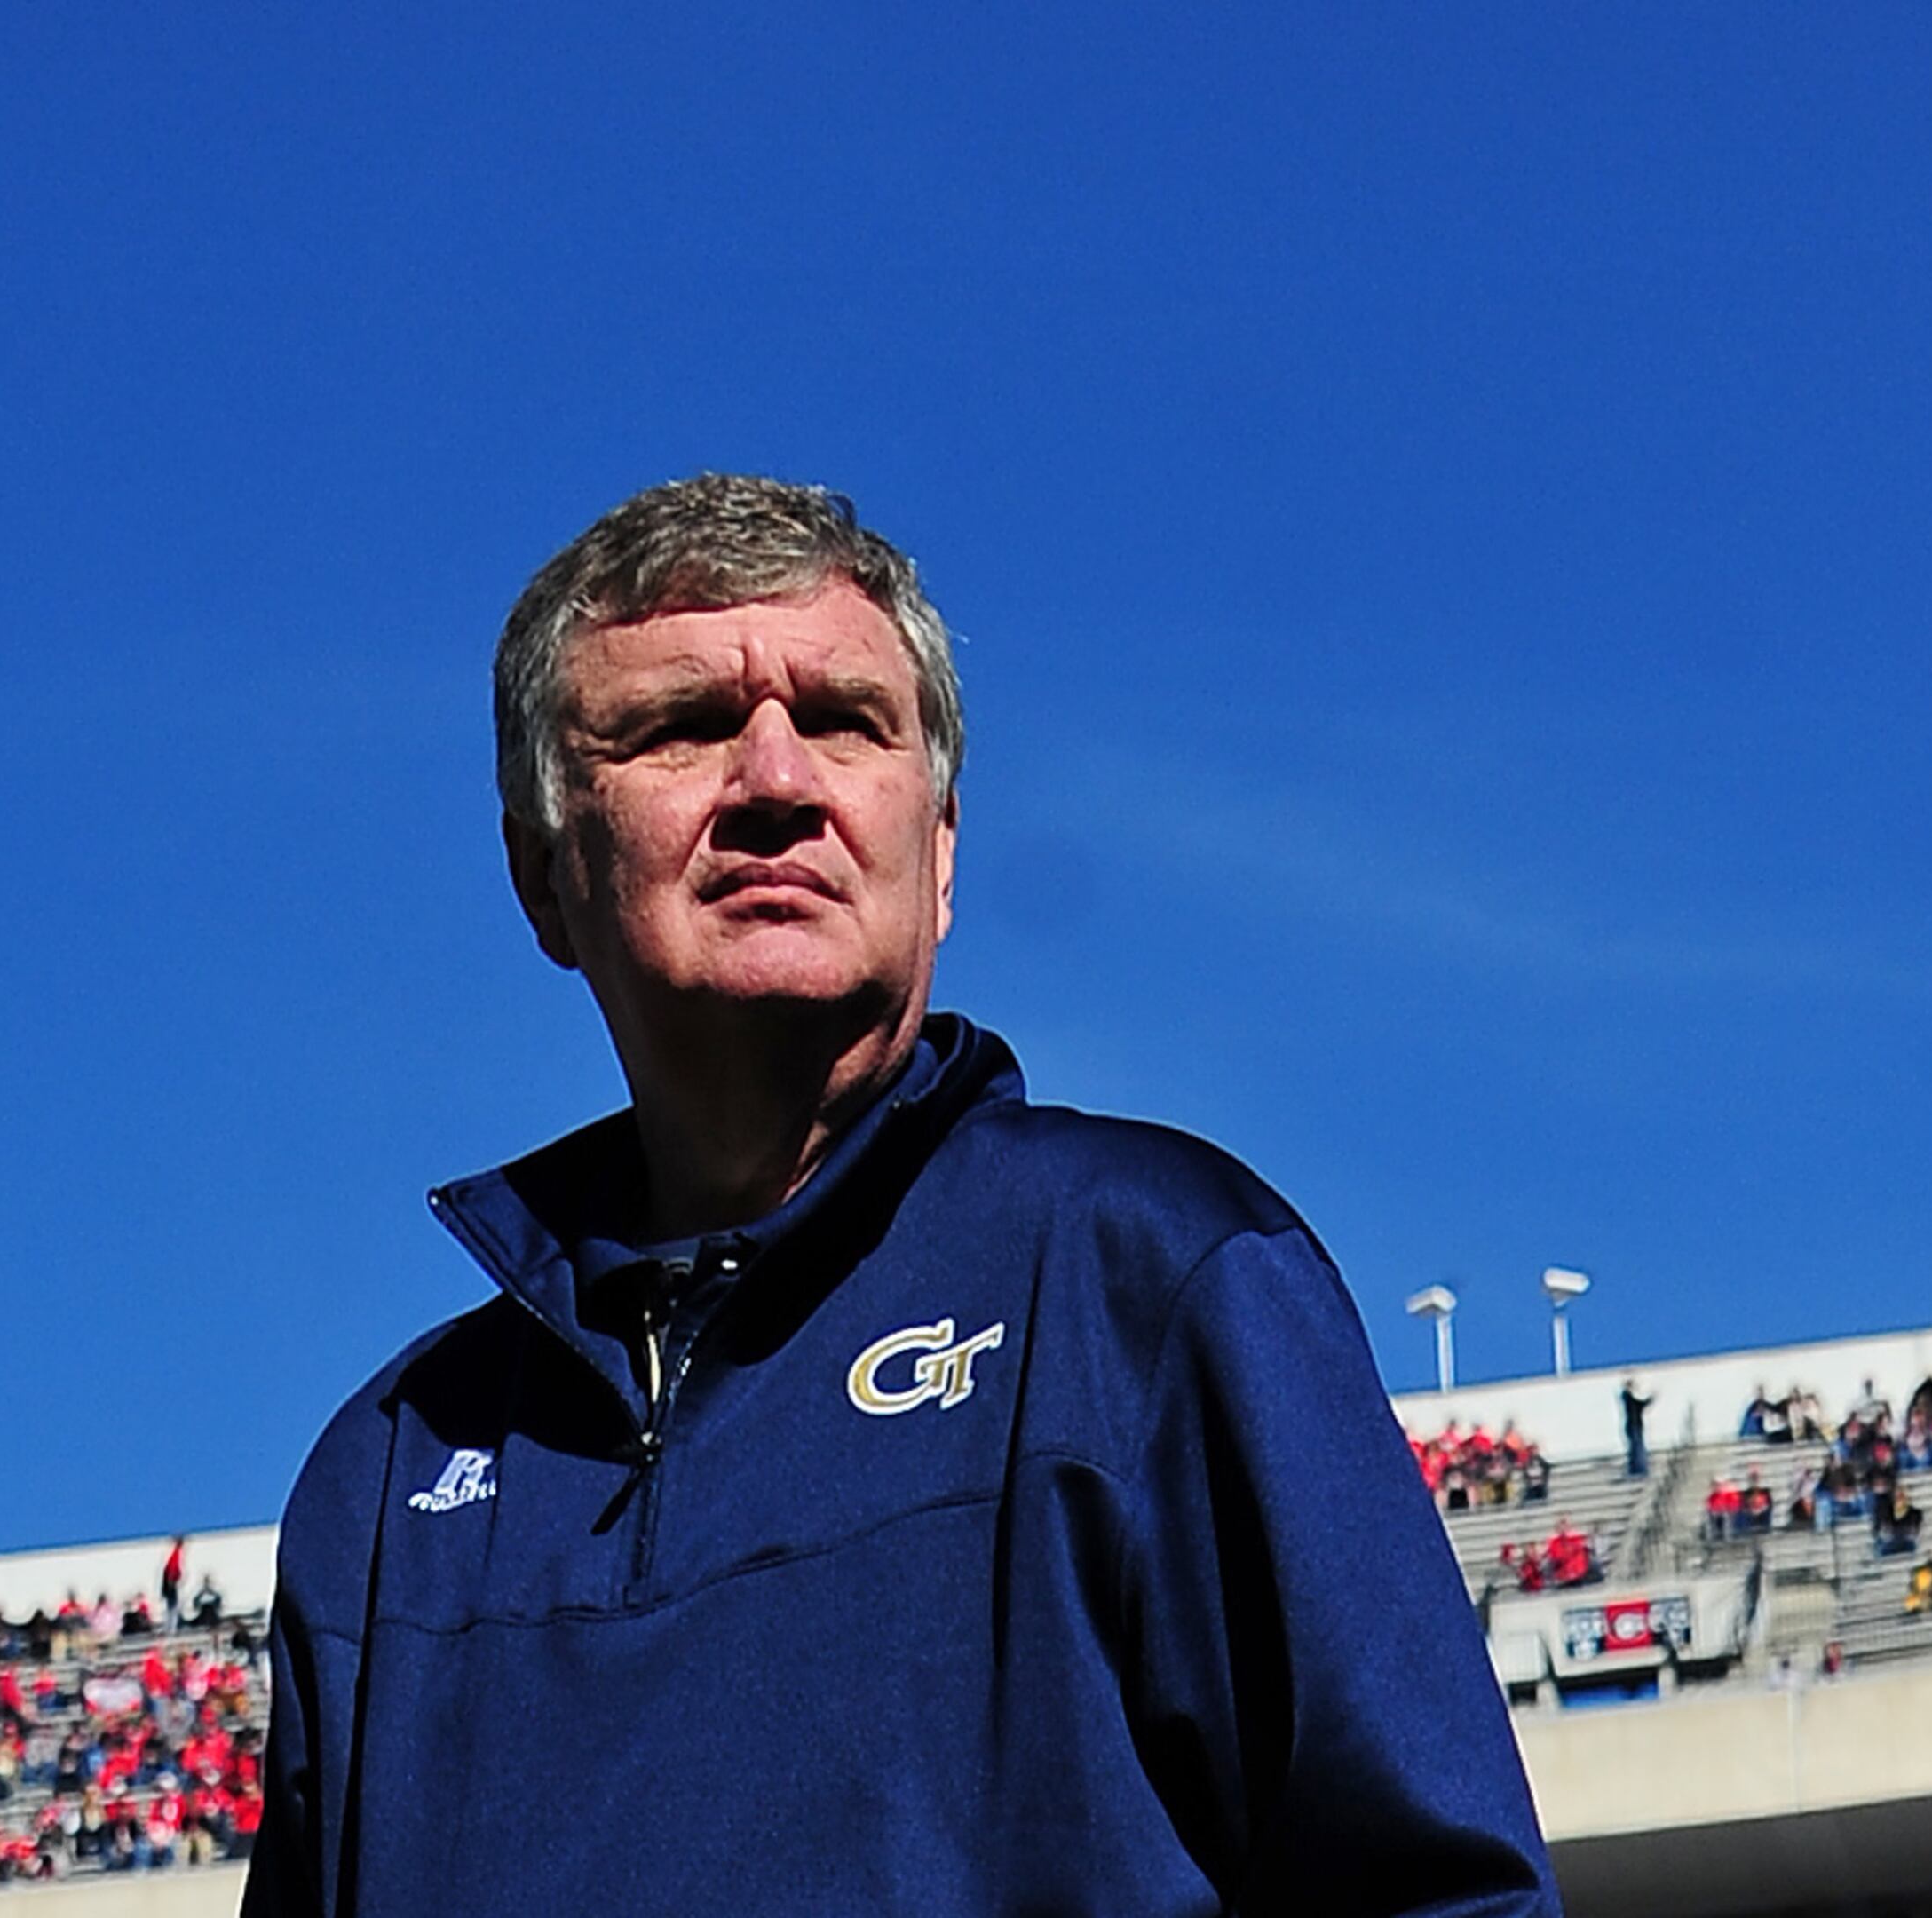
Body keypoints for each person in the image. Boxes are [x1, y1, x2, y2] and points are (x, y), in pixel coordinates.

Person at [242, 476, 1557, 1917]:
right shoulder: (389, 1479)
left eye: (845, 721)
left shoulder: (1147, 1276)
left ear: (936, 855)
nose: (775, 783)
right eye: (681, 728)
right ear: (544, 875)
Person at [1619, 1375, 1656, 1479]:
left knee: (1635, 1448)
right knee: (1637, 1448)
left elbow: (1639, 1406)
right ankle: (1639, 1470)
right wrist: (1648, 1400)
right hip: (1634, 1425)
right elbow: (1638, 1406)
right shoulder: (1628, 1397)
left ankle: (1636, 1469)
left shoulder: (1628, 1398)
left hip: (1634, 1425)